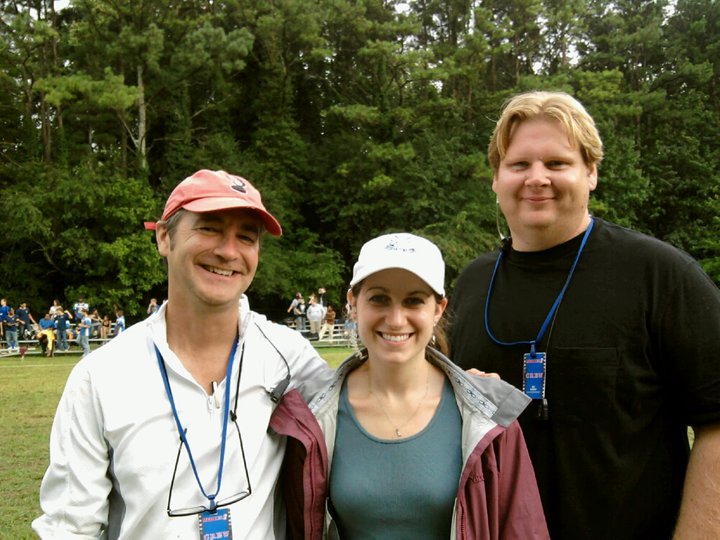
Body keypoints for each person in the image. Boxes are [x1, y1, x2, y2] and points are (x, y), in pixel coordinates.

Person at [448, 91, 720, 540]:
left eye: (557, 163)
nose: (537, 179)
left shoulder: (658, 274)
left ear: (590, 172)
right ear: (496, 178)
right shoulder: (473, 283)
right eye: (519, 165)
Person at [32, 169, 333, 538]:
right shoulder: (100, 376)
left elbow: (373, 409)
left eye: (246, 236)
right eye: (209, 228)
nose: (228, 251)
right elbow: (70, 528)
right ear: (163, 236)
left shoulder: (289, 356)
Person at [272, 232, 548, 539]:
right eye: (379, 298)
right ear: (353, 303)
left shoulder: (490, 415)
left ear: (438, 309)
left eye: (414, 300)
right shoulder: (309, 417)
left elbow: (522, 528)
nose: (396, 319)